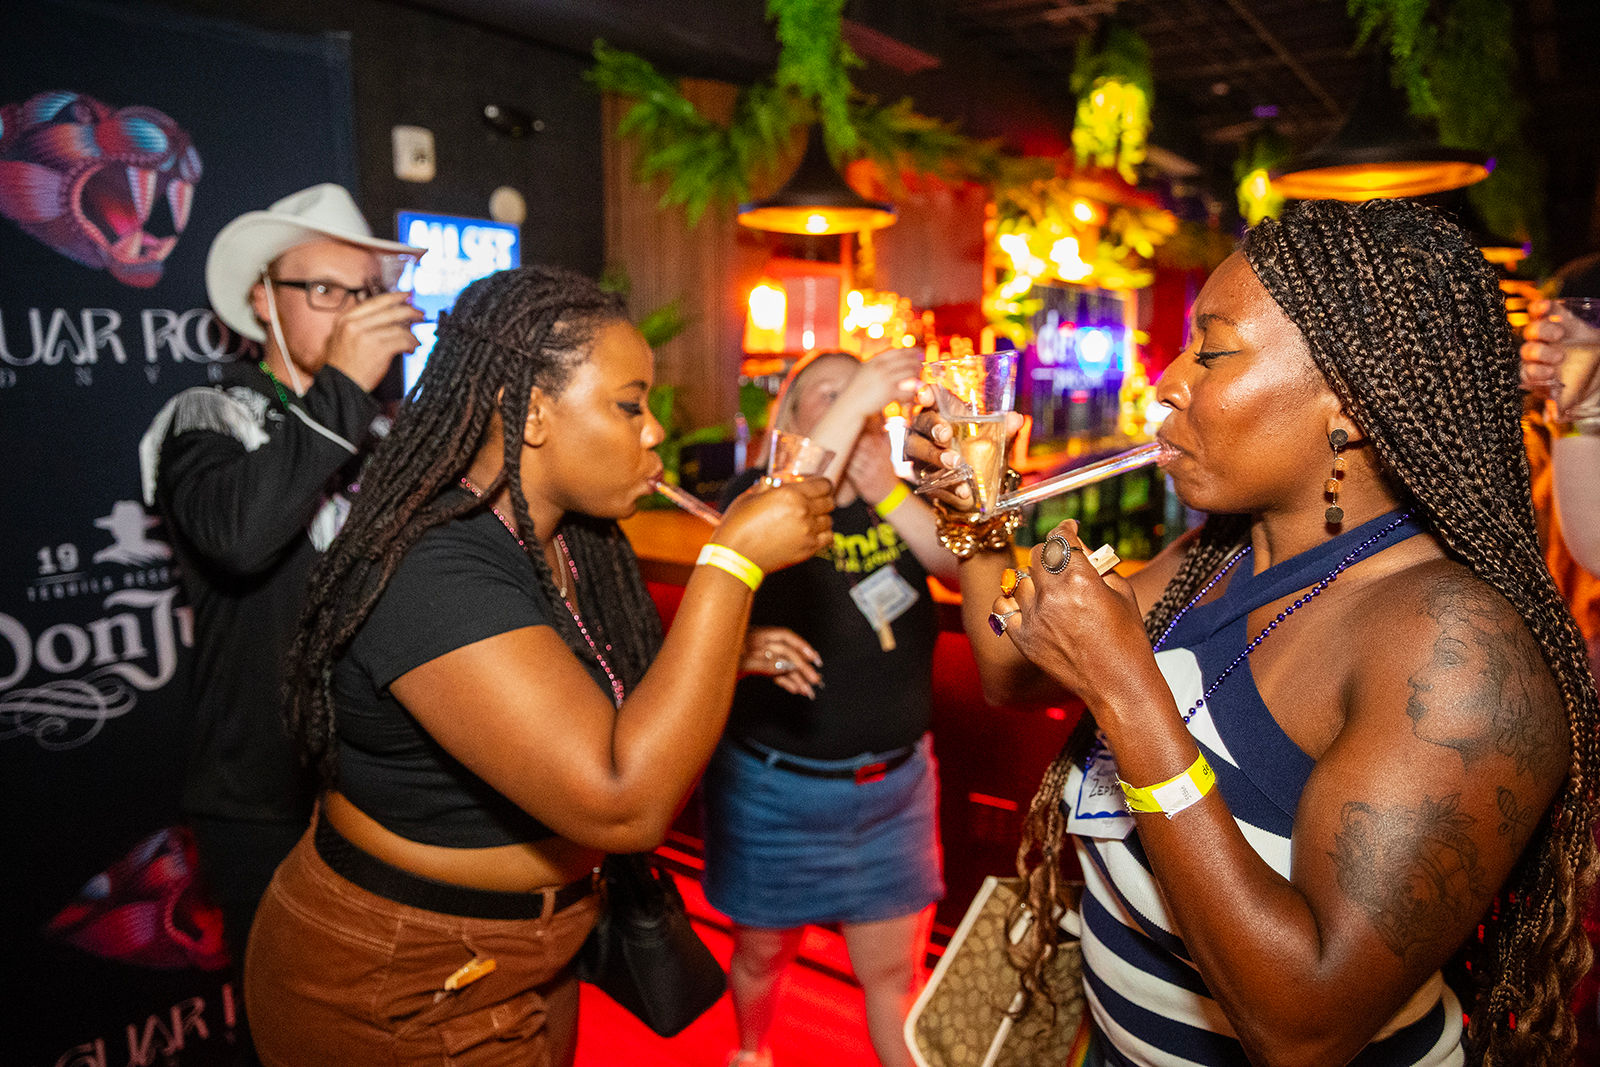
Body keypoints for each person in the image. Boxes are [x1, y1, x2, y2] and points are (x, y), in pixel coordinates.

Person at [909, 199, 1598, 1065]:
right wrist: (977, 517)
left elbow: (1304, 1025)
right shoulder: (1224, 557)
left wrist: (1129, 692)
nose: (1166, 379)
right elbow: (1010, 669)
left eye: (1215, 349)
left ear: (1348, 404)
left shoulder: (1453, 650)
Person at [241, 265, 832, 1066]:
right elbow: (623, 803)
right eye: (629, 405)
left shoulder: (575, 539)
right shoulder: (429, 569)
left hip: (537, 948)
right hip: (402, 977)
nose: (653, 430)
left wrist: (730, 650)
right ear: (530, 411)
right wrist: (730, 564)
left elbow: (612, 697)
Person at [138, 184, 425, 977]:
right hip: (263, 793)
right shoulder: (206, 417)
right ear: (263, 300)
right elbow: (240, 537)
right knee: (284, 1018)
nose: (352, 311)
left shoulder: (388, 434)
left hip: (383, 784)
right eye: (326, 290)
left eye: (366, 292)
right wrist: (343, 387)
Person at [702, 349, 957, 1067]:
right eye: (827, 394)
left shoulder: (898, 499)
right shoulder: (759, 496)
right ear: (788, 418)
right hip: (775, 791)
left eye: (861, 396)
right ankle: (751, 1052)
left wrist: (890, 494)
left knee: (893, 978)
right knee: (760, 953)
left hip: (894, 794)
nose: (852, 403)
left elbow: (960, 569)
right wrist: (870, 387)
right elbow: (785, 506)